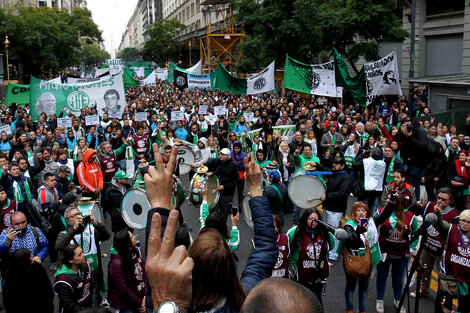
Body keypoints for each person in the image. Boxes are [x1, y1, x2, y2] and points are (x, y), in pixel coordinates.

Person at [144, 147, 277, 313]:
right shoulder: (245, 300)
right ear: (230, 268)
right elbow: (266, 248)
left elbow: (157, 263)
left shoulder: (168, 297)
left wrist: (161, 206)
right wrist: (256, 191)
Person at [339, 201, 394, 313]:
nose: (361, 213)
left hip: (367, 262)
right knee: (351, 286)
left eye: (363, 210)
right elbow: (347, 239)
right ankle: (349, 309)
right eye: (358, 210)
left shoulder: (372, 222)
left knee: (364, 288)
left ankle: (362, 310)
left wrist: (391, 203)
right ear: (354, 213)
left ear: (367, 213)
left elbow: (384, 215)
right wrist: (356, 233)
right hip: (352, 261)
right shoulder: (349, 225)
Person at [408, 188, 459, 299]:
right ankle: (424, 289)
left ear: (450, 201)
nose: (440, 201)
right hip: (427, 246)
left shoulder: (455, 215)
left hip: (441, 251)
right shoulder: (430, 205)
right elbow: (410, 212)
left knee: (442, 276)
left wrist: (438, 215)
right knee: (424, 270)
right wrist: (417, 206)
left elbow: (452, 233)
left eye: (444, 199)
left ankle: (443, 297)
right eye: (438, 198)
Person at [375, 194, 419, 313]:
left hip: (401, 253)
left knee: (398, 277)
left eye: (392, 200)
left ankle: (398, 300)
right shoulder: (380, 211)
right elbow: (372, 227)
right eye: (389, 199)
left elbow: (417, 232)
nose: (388, 201)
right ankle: (379, 300)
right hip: (384, 252)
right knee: (382, 276)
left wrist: (412, 248)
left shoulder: (410, 216)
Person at [56, 207, 111, 295]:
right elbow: (59, 246)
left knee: (96, 294)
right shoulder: (64, 234)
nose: (78, 217)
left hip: (94, 270)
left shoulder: (90, 229)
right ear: (67, 221)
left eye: (79, 214)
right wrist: (73, 229)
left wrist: (97, 224)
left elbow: (106, 236)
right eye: (74, 215)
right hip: (78, 275)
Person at [286, 208, 335, 307]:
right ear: (305, 219)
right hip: (300, 276)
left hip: (318, 276)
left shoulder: (326, 233)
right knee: (300, 302)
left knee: (316, 302)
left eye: (316, 219)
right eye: (310, 218)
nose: (313, 221)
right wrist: (292, 270)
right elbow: (287, 248)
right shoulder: (295, 232)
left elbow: (331, 247)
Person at [433, 208, 470, 313]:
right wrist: (437, 214)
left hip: (466, 279)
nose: (465, 224)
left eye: (468, 222)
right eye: (463, 221)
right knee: (443, 304)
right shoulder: (452, 229)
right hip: (449, 275)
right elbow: (439, 225)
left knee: (464, 307)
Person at [319, 156, 353, 263]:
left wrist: (327, 196)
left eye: (337, 164)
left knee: (334, 231)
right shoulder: (334, 173)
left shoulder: (346, 177)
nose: (334, 165)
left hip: (336, 209)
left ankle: (333, 255)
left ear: (342, 165)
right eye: (333, 163)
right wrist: (316, 165)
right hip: (328, 207)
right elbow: (325, 170)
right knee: (326, 230)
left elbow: (343, 194)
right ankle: (327, 249)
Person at [3, 248, 54, 313]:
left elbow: (47, 287)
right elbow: (9, 301)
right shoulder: (11, 277)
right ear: (25, 260)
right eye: (29, 256)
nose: (32, 256)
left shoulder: (37, 268)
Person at [54, 244, 101, 313]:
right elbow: (69, 305)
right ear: (71, 260)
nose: (83, 255)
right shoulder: (63, 281)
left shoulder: (85, 265)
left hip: (90, 306)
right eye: (79, 255)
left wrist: (94, 305)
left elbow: (94, 285)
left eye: (82, 252)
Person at [108, 230, 146, 313]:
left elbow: (143, 272)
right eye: (132, 237)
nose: (135, 237)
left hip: (139, 296)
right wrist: (139, 303)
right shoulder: (116, 264)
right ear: (126, 243)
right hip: (125, 305)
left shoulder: (135, 251)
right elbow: (123, 289)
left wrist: (145, 296)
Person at [198, 147, 239, 221]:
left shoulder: (233, 167)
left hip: (226, 194)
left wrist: (224, 186)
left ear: (227, 156)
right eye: (220, 153)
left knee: (224, 214)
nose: (220, 155)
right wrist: (202, 164)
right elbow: (207, 165)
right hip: (214, 191)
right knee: (213, 213)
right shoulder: (216, 161)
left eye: (223, 154)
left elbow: (235, 182)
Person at [353, 147, 386, 214]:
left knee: (363, 209)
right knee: (373, 209)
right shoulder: (383, 164)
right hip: (376, 190)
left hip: (365, 189)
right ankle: (372, 223)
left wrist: (363, 154)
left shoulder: (366, 161)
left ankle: (363, 223)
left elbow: (354, 164)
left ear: (371, 154)